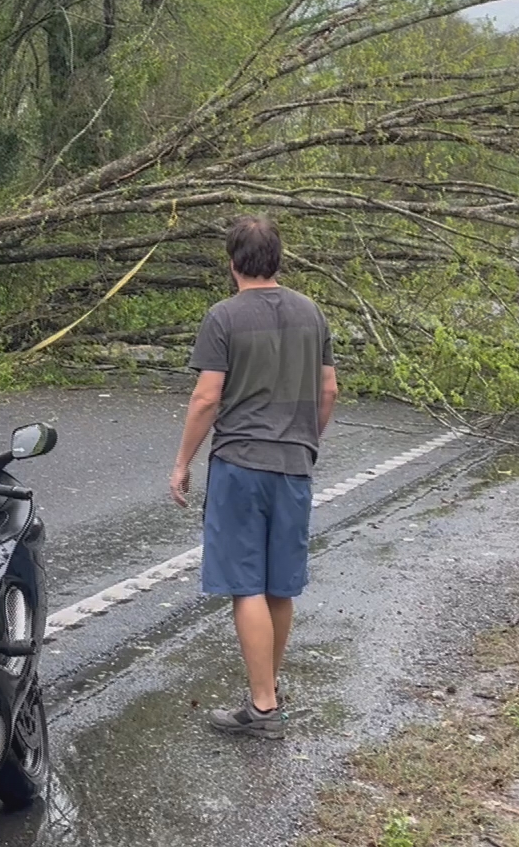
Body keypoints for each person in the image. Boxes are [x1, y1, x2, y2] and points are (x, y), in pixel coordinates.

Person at [169, 215, 337, 740]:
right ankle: (268, 688)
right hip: (294, 465)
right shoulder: (312, 313)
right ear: (279, 260)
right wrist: (306, 437)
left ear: (233, 263)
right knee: (279, 585)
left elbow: (206, 398)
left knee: (246, 585)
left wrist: (182, 462)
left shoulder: (223, 317)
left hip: (241, 465)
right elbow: (328, 391)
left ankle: (262, 707)